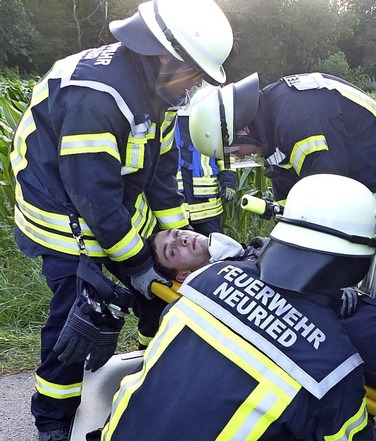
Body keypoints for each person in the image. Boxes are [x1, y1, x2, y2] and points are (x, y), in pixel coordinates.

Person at [8, 1, 233, 439]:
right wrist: (137, 265)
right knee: (75, 325)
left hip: (111, 209)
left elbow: (162, 173)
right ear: (164, 54)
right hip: (64, 221)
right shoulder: (98, 95)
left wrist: (176, 247)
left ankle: (159, 380)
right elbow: (94, 196)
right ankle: (53, 421)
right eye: (192, 74)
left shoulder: (156, 88)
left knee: (158, 300)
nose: (192, 87)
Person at [96, 174, 376, 441]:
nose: (182, 238)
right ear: (354, 263)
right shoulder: (337, 366)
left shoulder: (203, 282)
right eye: (171, 248)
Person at [145, 215, 376, 434]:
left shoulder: (248, 251)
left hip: (365, 304)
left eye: (177, 234)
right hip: (339, 329)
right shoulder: (210, 290)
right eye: (171, 250)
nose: (180, 240)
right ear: (183, 276)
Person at [185, 72, 376, 296]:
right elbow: (292, 198)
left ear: (243, 129)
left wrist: (339, 280)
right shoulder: (272, 122)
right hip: (366, 206)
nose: (239, 158)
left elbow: (330, 203)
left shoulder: (298, 121)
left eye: (232, 150)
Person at [174, 109, 238, 235]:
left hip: (208, 206)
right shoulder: (162, 113)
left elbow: (225, 151)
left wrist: (229, 180)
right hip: (174, 205)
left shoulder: (211, 113)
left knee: (212, 248)